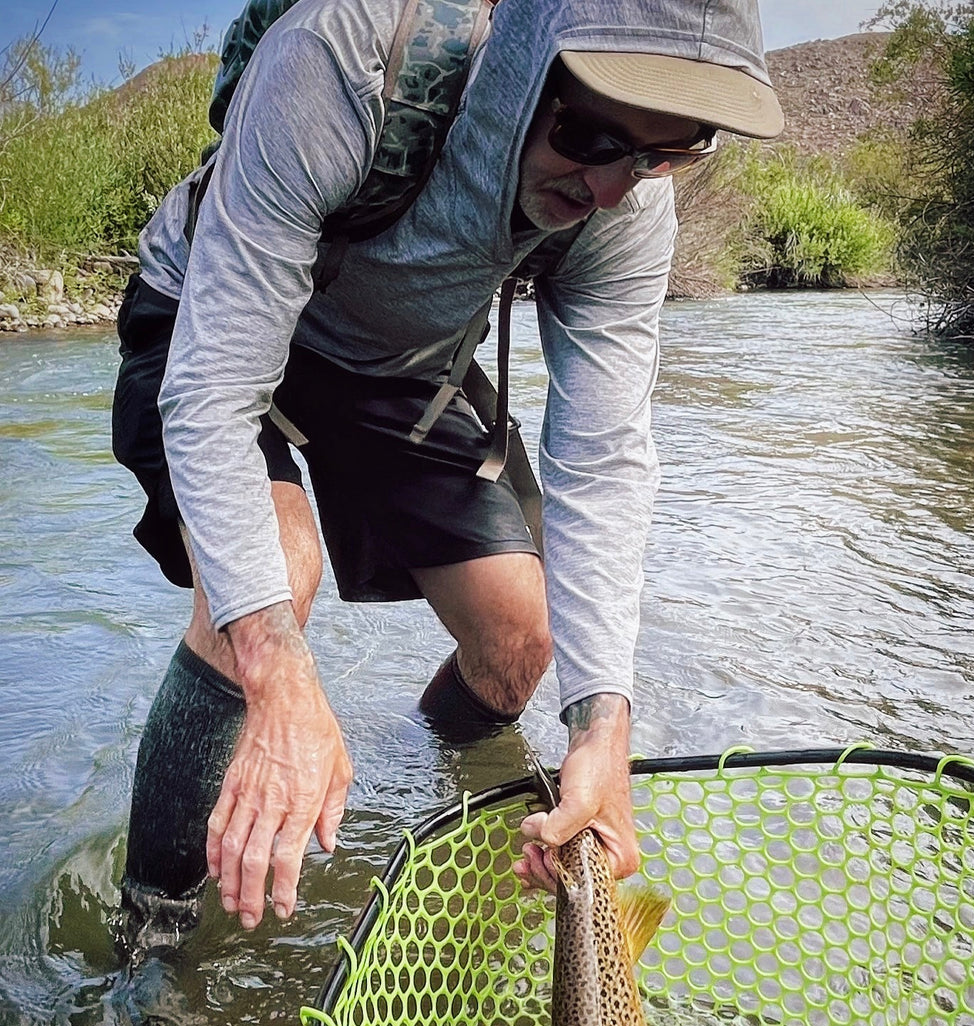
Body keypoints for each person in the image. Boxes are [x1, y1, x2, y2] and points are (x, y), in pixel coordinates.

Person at [111, 0, 783, 950]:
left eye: (667, 151)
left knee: (524, 639)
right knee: (272, 582)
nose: (611, 188)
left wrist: (602, 736)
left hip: (395, 365)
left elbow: (599, 460)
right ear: (520, 66)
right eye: (590, 134)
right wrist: (278, 671)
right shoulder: (338, 59)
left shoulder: (626, 207)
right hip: (210, 319)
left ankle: (409, 800)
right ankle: (148, 955)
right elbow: (215, 391)